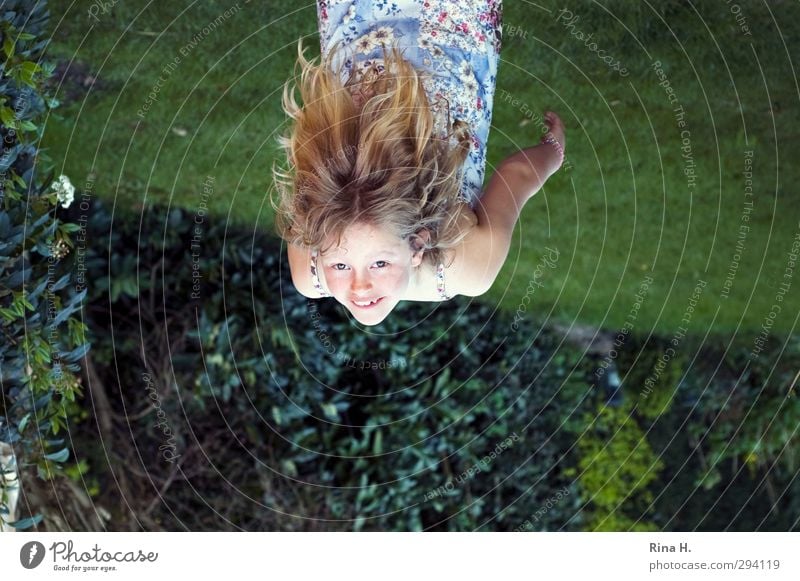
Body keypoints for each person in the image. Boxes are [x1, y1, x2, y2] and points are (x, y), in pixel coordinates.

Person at [271, 0, 565, 326]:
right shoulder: (468, 265)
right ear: (419, 244)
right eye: (379, 263)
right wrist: (553, 150)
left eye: (341, 266)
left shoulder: (309, 270)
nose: (360, 285)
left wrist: (554, 151)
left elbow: (519, 174)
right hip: (438, 28)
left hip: (386, 34)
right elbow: (517, 175)